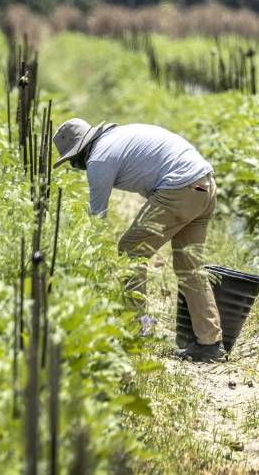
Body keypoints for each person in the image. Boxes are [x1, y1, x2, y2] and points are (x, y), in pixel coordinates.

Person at [52, 118, 223, 362]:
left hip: (182, 188)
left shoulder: (98, 159)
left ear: (80, 151)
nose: (75, 166)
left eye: (72, 160)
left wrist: (85, 258)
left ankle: (134, 331)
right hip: (205, 184)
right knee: (189, 265)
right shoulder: (118, 138)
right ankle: (209, 343)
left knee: (131, 249)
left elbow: (96, 220)